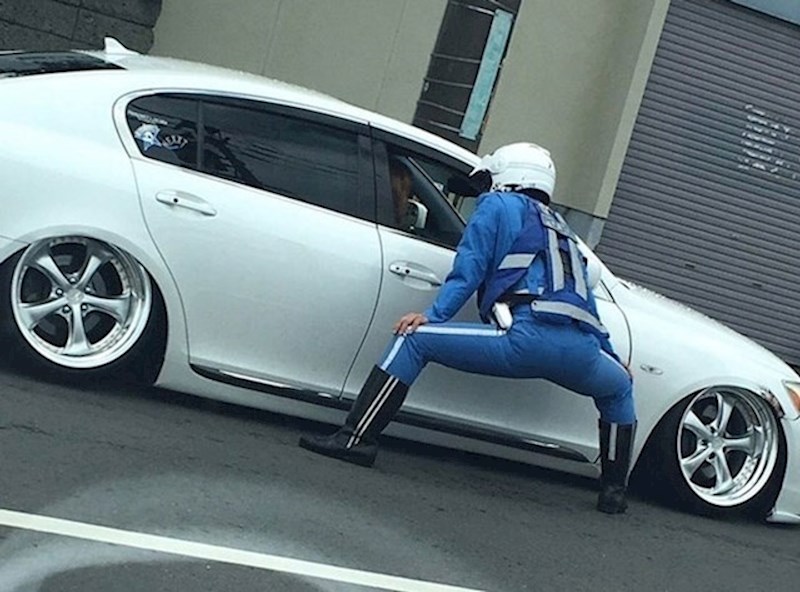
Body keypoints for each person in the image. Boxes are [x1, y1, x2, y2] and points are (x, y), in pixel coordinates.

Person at [299, 142, 637, 514]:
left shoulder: (495, 205)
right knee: (619, 388)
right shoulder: (563, 229)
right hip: (583, 348)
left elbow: (469, 267)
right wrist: (611, 356)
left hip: (526, 336)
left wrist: (434, 315)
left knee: (412, 341)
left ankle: (355, 439)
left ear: (505, 175)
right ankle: (614, 492)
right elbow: (586, 302)